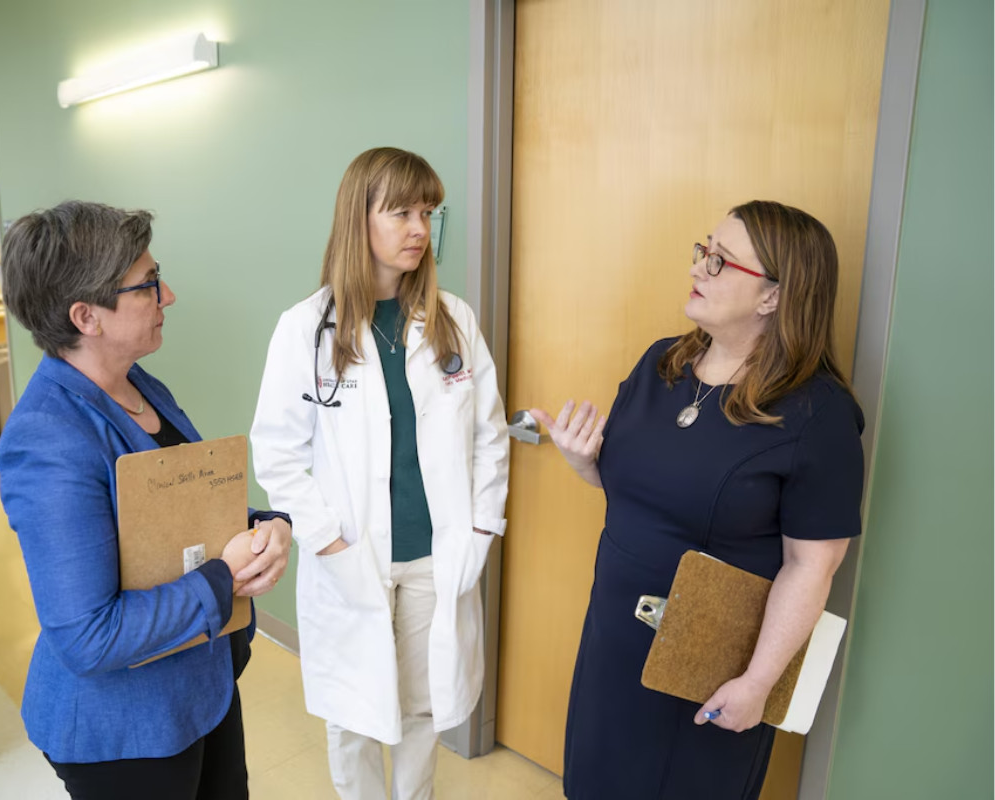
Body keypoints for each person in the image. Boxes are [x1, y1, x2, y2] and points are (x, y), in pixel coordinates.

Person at [533, 201, 865, 800]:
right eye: (704, 250)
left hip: (707, 670)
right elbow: (646, 501)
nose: (701, 268)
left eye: (722, 261)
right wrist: (588, 465)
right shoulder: (665, 362)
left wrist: (758, 683)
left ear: (772, 297)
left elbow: (812, 565)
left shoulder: (819, 415)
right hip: (614, 643)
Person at [0, 201, 291, 800]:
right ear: (87, 316)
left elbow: (185, 511)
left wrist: (265, 526)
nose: (169, 296)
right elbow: (88, 637)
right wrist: (224, 580)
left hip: (198, 688)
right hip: (125, 731)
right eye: (149, 284)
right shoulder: (48, 440)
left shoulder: (138, 385)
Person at [250, 147, 510, 800]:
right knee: (356, 714)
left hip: (436, 555)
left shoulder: (453, 321)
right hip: (352, 553)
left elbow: (490, 436)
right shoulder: (305, 330)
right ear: (357, 218)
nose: (420, 228)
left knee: (423, 709)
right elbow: (277, 455)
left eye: (428, 212)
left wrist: (480, 528)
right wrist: (329, 540)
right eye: (401, 212)